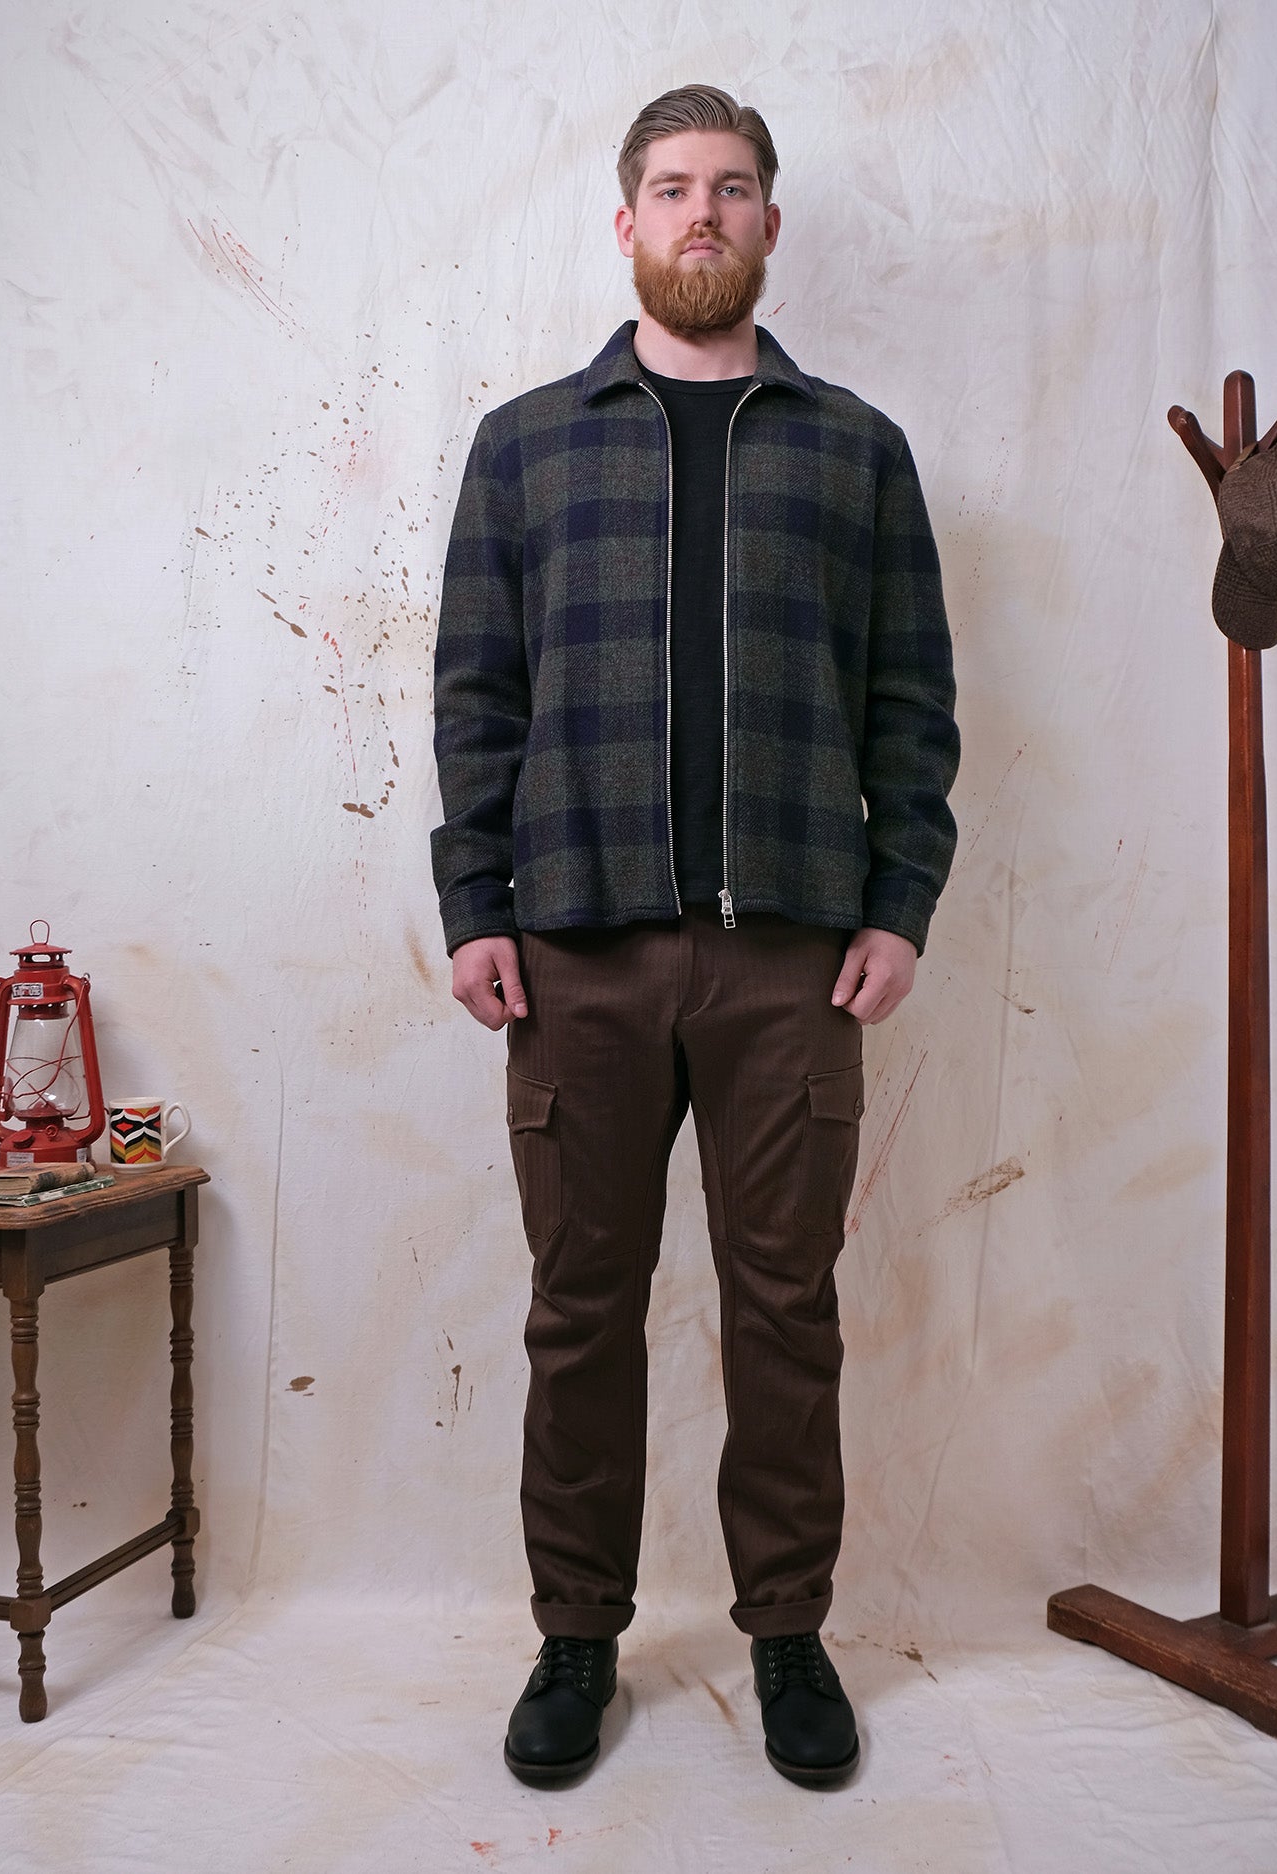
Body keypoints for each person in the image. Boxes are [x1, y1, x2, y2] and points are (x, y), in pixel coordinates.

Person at [430, 83, 959, 1789]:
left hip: (792, 959)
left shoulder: (857, 450)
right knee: (579, 1309)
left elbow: (913, 704)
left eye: (732, 188)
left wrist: (899, 904)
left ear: (770, 224)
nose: (703, 214)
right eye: (672, 189)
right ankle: (576, 1635)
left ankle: (788, 1630)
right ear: (627, 223)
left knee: (785, 1309)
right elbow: (476, 696)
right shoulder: (526, 446)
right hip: (576, 952)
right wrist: (474, 905)